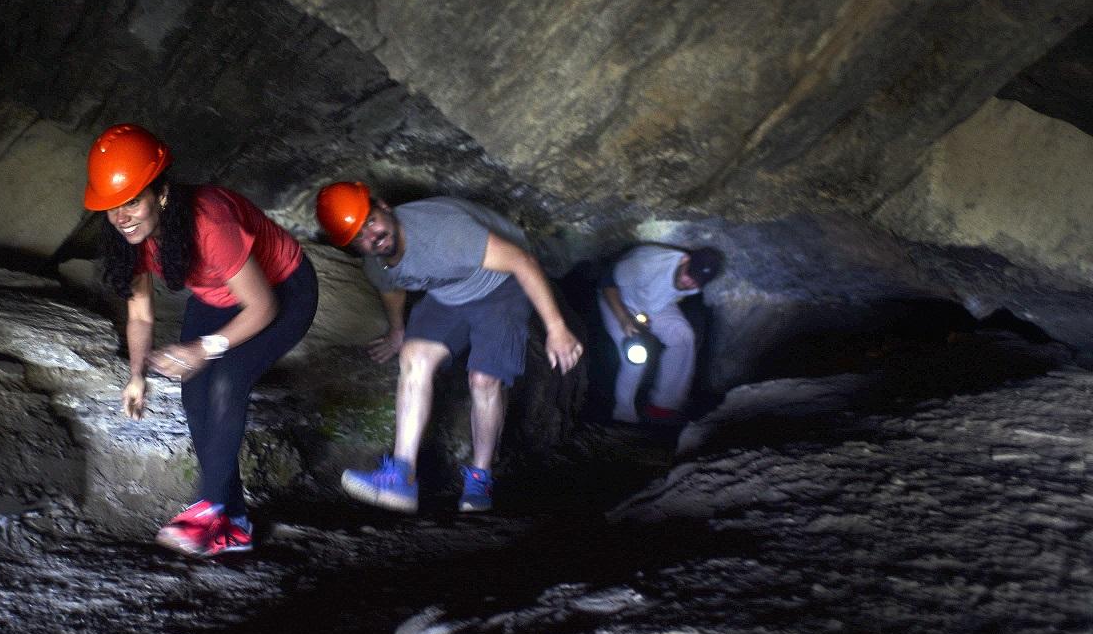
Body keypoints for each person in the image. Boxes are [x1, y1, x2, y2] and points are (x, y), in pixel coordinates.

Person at [87, 124, 318, 556]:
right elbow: (139, 314)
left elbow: (262, 306)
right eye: (112, 207)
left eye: (132, 201)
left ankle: (209, 508)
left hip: (282, 289)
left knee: (228, 375)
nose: (122, 217)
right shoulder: (129, 237)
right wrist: (137, 376)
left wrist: (204, 347)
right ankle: (236, 521)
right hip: (219, 296)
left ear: (162, 194)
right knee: (194, 389)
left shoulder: (208, 221)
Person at [315, 181, 582, 514]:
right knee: (412, 357)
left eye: (370, 221)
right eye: (359, 237)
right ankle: (401, 476)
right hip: (448, 294)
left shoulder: (441, 231)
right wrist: (398, 330)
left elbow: (522, 261)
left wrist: (557, 328)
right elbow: (391, 286)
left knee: (484, 380)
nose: (371, 236)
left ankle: (480, 477)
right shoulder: (376, 259)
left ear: (383, 205)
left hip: (500, 283)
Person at [598, 244, 723, 425]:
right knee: (636, 357)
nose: (690, 283)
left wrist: (644, 318)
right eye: (690, 274)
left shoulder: (694, 282)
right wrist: (625, 319)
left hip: (653, 305)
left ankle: (663, 406)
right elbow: (607, 283)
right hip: (619, 300)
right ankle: (623, 415)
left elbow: (675, 294)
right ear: (684, 259)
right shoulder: (647, 263)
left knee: (683, 336)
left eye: (697, 281)